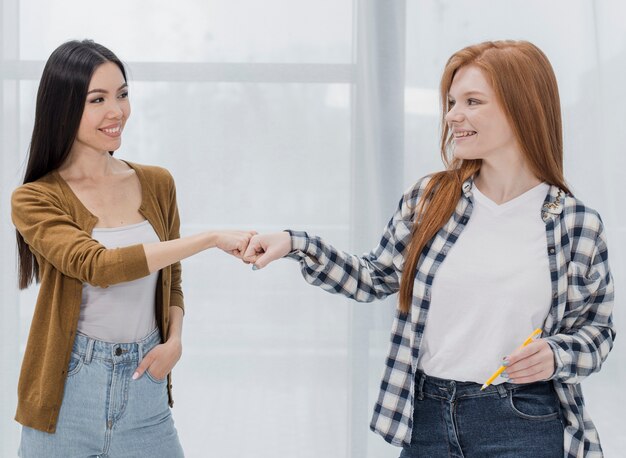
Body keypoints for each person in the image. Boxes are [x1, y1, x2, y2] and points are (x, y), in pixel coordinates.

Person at [242, 40, 615, 458]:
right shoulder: (431, 197)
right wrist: (296, 244)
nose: (453, 115)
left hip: (521, 420)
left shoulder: (577, 225)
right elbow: (374, 276)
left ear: (521, 107)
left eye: (473, 101)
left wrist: (556, 354)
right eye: (452, 101)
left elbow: (598, 332)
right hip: (428, 418)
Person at [11, 40, 254, 457]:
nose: (117, 111)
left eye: (122, 94)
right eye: (98, 99)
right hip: (67, 395)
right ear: (64, 107)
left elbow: (171, 281)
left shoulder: (157, 183)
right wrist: (209, 239)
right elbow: (99, 266)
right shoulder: (35, 199)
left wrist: (175, 341)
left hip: (146, 387)